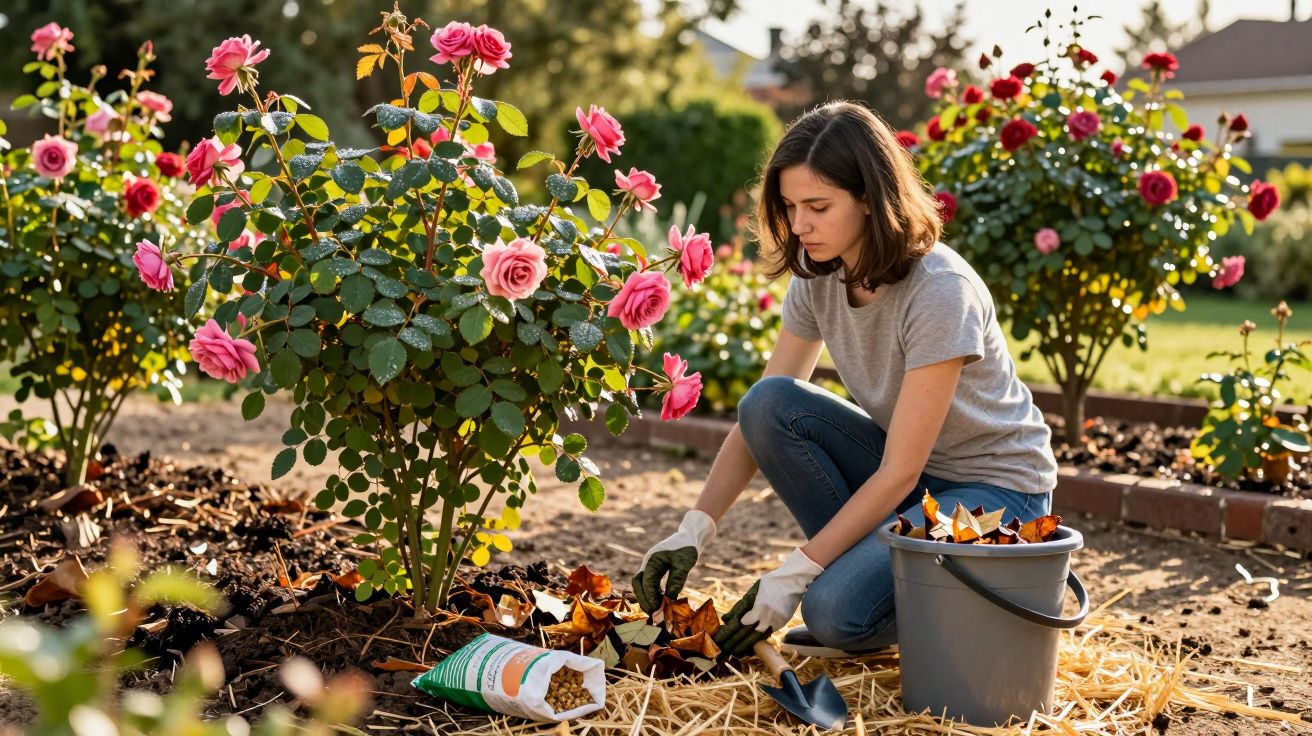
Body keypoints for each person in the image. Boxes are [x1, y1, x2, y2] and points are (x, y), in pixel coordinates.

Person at [631, 101, 1058, 659]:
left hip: (999, 496)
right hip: (912, 481)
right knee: (767, 403)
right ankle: (882, 579)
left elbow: (901, 471)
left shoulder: (940, 292)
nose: (800, 224)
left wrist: (796, 573)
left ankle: (928, 605)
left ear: (870, 200)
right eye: (789, 205)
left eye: (818, 206)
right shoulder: (819, 273)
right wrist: (694, 527)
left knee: (832, 613)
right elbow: (760, 418)